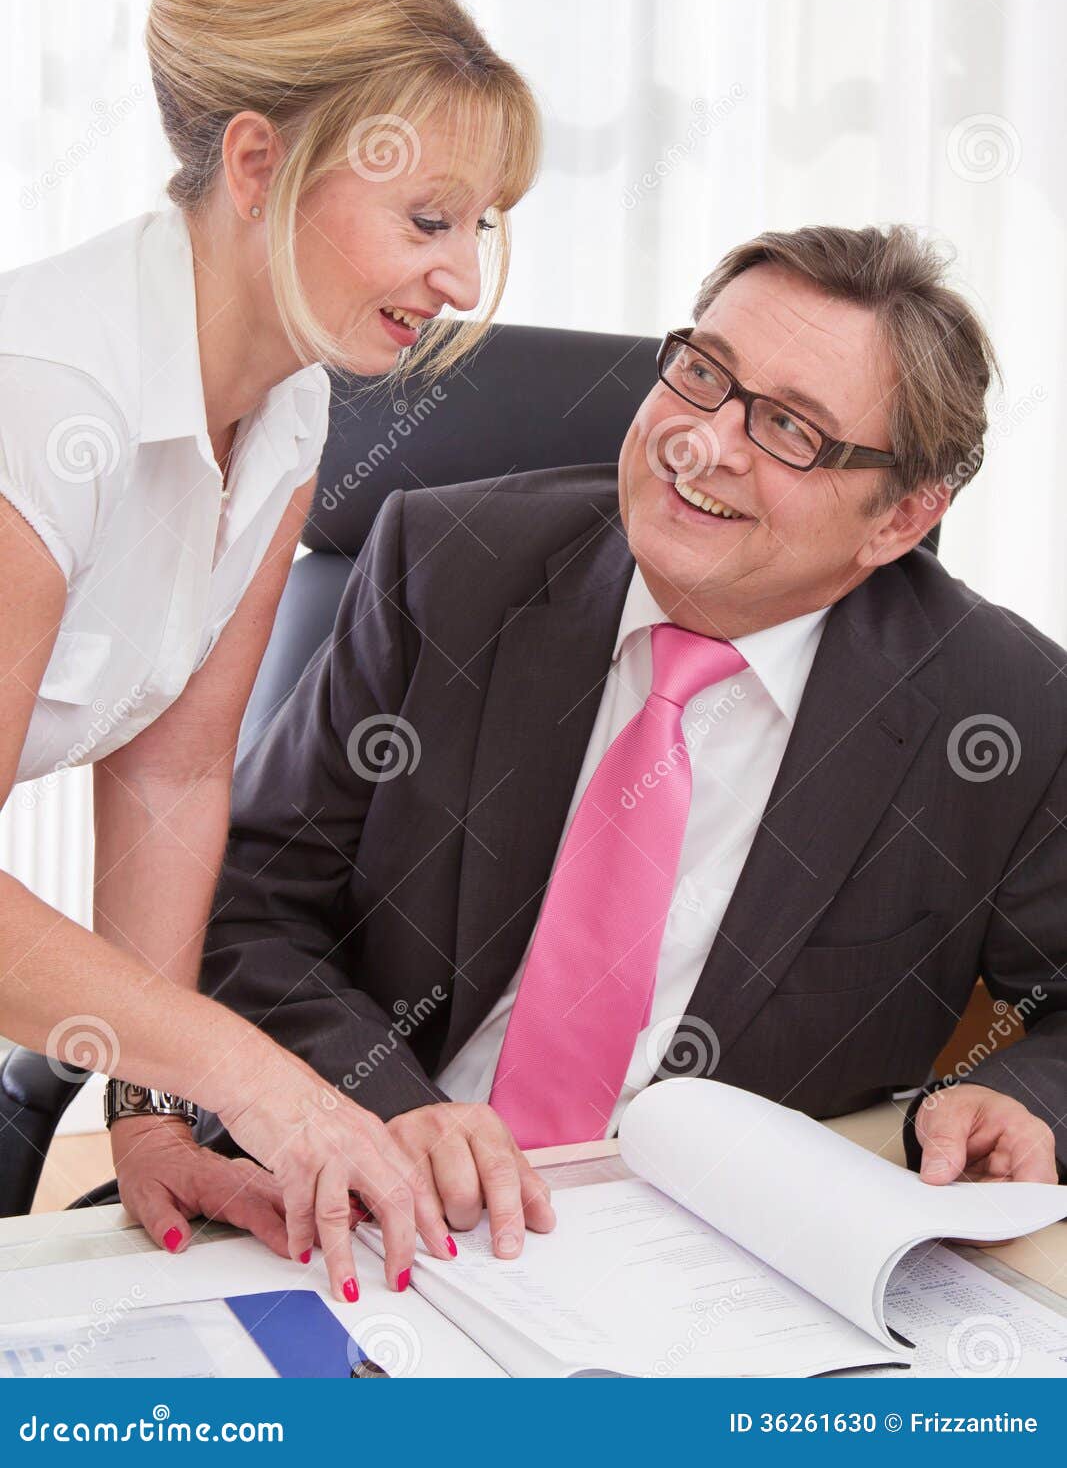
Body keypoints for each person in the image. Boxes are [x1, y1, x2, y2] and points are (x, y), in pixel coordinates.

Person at [155, 225, 1066, 1260]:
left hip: (719, 1264)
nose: (703, 442)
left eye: (788, 429)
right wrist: (383, 1109)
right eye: (701, 372)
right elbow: (248, 908)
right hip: (374, 1206)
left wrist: (1020, 1094)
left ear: (899, 519)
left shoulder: (1004, 710)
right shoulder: (446, 568)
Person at [0, 0, 540, 1304]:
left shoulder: (290, 398)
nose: (462, 277)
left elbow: (172, 772)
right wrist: (253, 1077)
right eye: (428, 220)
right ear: (256, 164)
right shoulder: (46, 397)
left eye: (476, 226)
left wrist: (148, 1114)